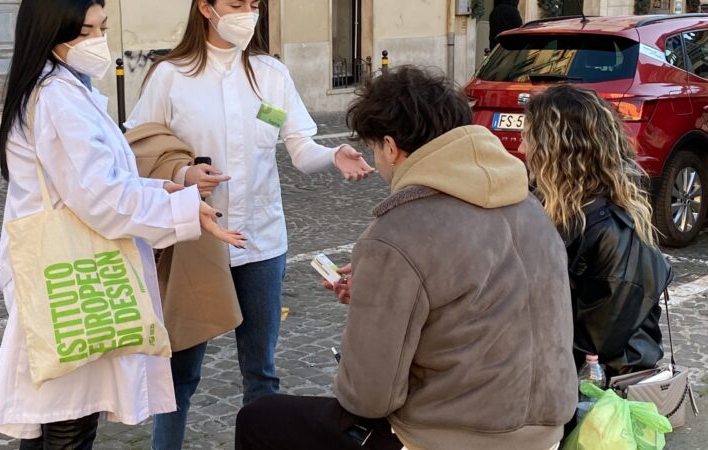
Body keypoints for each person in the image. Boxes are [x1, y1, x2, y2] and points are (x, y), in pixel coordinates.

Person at [234, 66, 578, 450]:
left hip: (453, 435)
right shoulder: (529, 205)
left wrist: (376, 300)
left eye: (374, 150)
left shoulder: (396, 234)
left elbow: (368, 396)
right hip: (549, 425)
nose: (377, 160)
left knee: (259, 418)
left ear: (391, 147)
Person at [0, 0, 244, 447]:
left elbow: (103, 181)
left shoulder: (62, 88)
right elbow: (101, 197)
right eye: (84, 32)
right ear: (51, 34)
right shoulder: (58, 98)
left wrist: (166, 192)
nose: (97, 41)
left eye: (101, 28)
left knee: (58, 416)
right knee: (68, 419)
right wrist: (180, 210)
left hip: (66, 271)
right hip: (74, 274)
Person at [124, 0, 373, 448]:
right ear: (206, 8)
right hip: (195, 241)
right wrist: (183, 176)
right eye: (236, 4)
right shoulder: (170, 75)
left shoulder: (269, 75)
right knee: (180, 374)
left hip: (261, 243)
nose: (248, 12)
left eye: (254, 4)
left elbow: (298, 145)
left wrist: (332, 154)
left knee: (261, 373)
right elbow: (140, 149)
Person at [520, 85, 671, 379]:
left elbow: (595, 340)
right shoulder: (549, 204)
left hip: (603, 395)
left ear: (558, 150)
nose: (522, 149)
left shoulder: (612, 229)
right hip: (561, 383)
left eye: (528, 139)